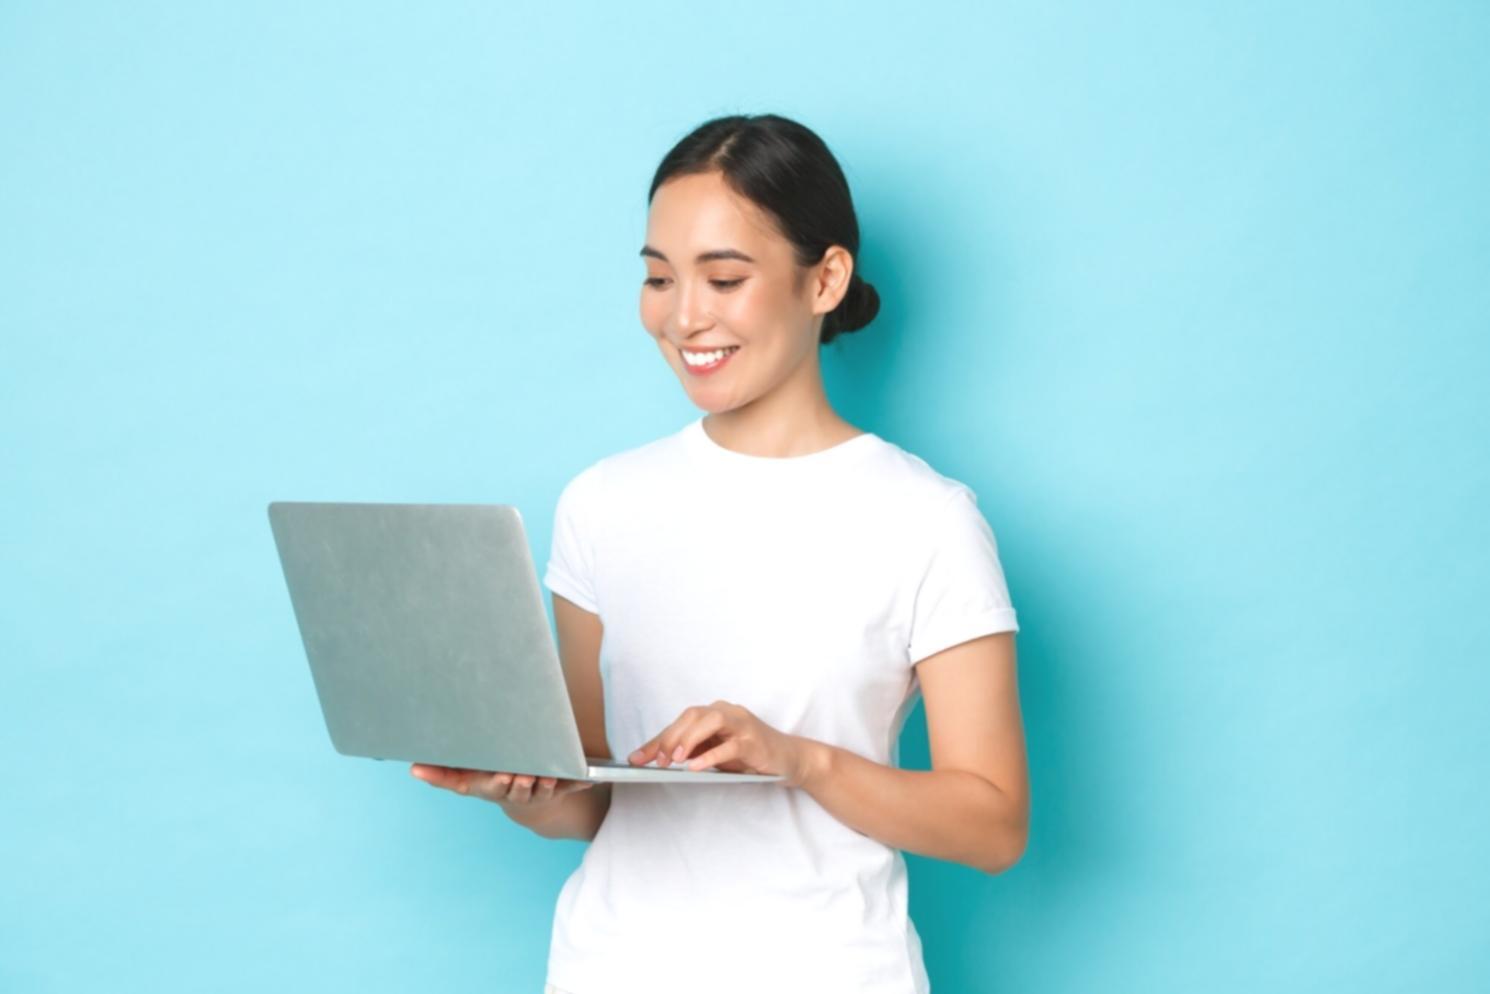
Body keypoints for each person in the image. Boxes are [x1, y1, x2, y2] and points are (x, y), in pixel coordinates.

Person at [411, 113, 1029, 994]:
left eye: (724, 277)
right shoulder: (602, 503)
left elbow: (994, 825)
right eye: (659, 277)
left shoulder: (926, 520)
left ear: (825, 279)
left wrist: (799, 758)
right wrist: (513, 783)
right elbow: (591, 803)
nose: (683, 315)